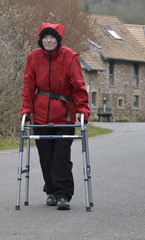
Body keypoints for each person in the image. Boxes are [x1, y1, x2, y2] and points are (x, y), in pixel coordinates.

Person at [20, 22, 91, 210]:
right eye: (45, 37)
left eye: (52, 37)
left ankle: (63, 195)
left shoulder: (70, 57)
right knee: (45, 156)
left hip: (64, 114)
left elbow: (78, 86)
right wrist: (26, 110)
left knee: (61, 157)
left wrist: (83, 109)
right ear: (40, 39)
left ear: (58, 40)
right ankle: (50, 191)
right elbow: (28, 85)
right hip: (41, 114)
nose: (49, 40)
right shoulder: (33, 57)